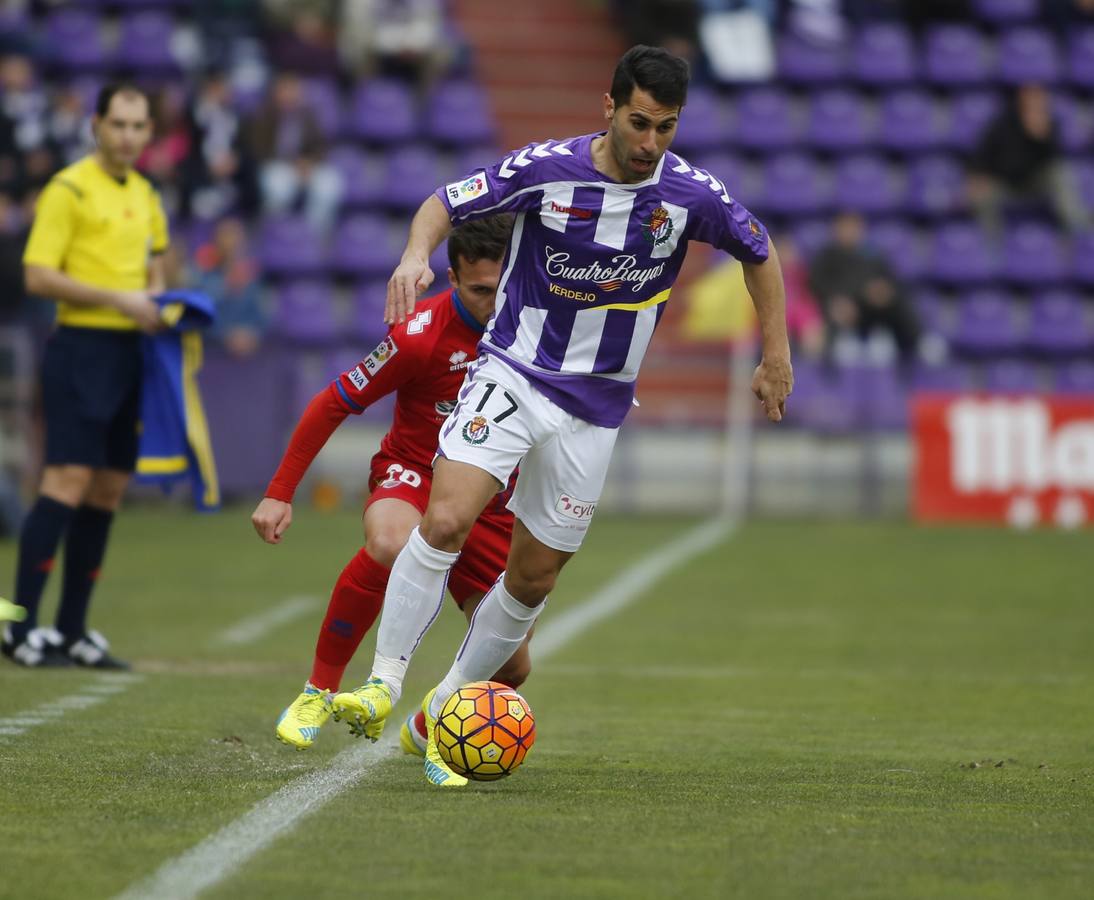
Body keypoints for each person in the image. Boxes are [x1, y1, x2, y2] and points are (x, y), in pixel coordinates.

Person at [335, 44, 792, 787]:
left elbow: (758, 249)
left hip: (597, 410)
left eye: (666, 128)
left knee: (536, 578)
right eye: (639, 122)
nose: (650, 143)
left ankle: (440, 715)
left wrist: (776, 352)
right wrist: (414, 256)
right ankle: (383, 683)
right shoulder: (545, 171)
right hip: (514, 374)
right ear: (607, 108)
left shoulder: (689, 195)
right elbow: (445, 204)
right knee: (445, 520)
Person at [251, 215, 531, 755]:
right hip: (417, 476)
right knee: (390, 542)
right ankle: (318, 691)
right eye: (479, 291)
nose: (495, 304)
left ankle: (426, 726)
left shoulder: (536, 336)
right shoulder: (420, 335)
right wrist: (280, 491)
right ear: (453, 277)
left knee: (512, 666)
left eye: (506, 289)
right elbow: (334, 401)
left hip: (493, 502)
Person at [2, 84, 167, 669]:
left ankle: (71, 630)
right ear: (96, 124)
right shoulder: (68, 188)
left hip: (129, 353)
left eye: (139, 125)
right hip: (80, 347)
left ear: (149, 132)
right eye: (118, 123)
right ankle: (19, 626)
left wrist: (155, 298)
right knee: (66, 480)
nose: (128, 135)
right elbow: (38, 276)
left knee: (108, 487)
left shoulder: (147, 193)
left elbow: (155, 263)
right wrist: (121, 300)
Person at [967, 83, 1089, 236]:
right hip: (1004, 182)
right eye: (1030, 98)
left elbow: (1054, 159)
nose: (1035, 103)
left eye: (1039, 99)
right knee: (982, 193)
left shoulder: (1050, 124)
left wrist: (1041, 138)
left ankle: (1078, 229)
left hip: (1034, 182)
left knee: (1059, 173)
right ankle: (991, 240)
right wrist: (979, 176)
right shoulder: (1001, 124)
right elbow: (983, 154)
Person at [808, 211, 919, 367]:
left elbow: (890, 282)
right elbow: (816, 285)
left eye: (853, 227)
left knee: (896, 301)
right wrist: (834, 302)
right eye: (845, 227)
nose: (849, 232)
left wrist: (882, 292)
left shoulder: (873, 256)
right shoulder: (826, 256)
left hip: (870, 311)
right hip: (835, 313)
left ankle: (917, 342)